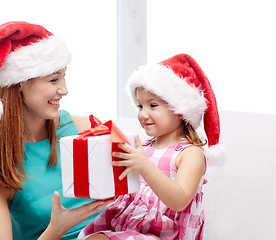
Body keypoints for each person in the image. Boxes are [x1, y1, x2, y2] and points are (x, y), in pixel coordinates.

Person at [0, 21, 113, 240]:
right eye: (53, 79)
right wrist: (56, 229)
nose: (64, 90)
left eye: (64, 76)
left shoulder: (86, 129)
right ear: (20, 83)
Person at [78, 54, 224, 239]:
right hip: (131, 228)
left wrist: (144, 167)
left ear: (180, 110)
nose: (143, 114)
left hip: (167, 234)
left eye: (153, 105)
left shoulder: (190, 153)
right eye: (140, 106)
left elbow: (179, 201)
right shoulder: (144, 148)